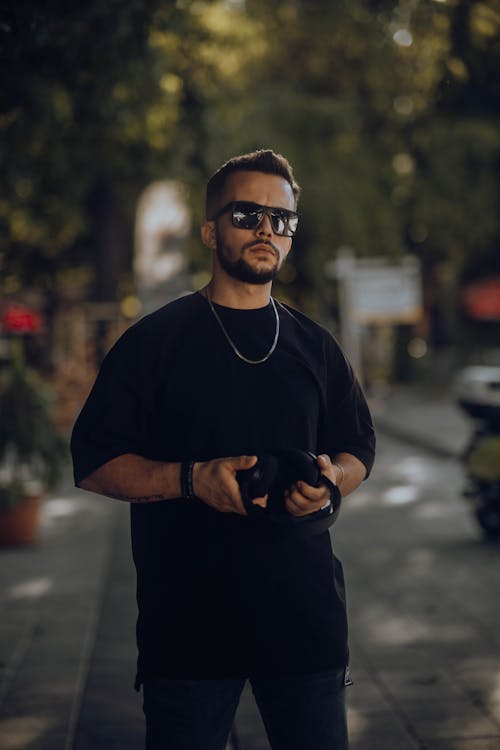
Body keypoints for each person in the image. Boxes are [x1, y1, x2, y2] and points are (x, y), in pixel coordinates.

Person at [70, 149, 375, 750]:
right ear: (211, 231)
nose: (266, 229)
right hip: (188, 630)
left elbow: (357, 446)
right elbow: (94, 462)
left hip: (304, 623)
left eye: (281, 219)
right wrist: (191, 480)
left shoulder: (316, 345)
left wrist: (331, 479)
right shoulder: (152, 343)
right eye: (247, 213)